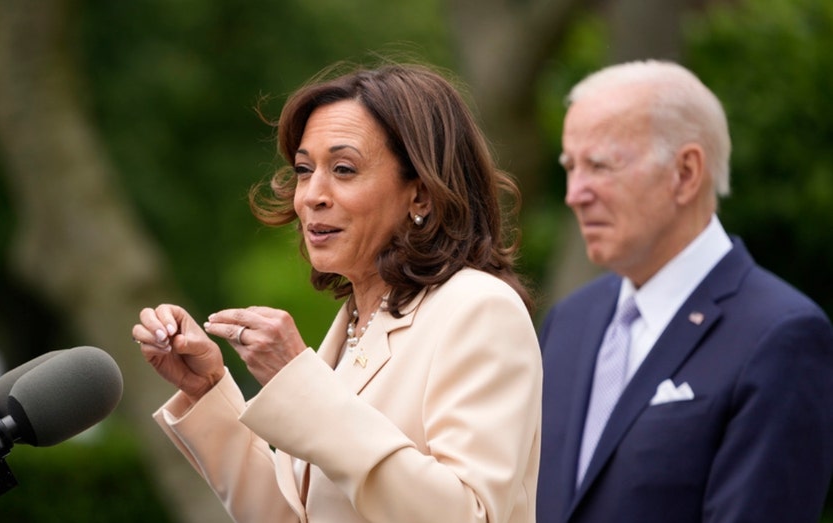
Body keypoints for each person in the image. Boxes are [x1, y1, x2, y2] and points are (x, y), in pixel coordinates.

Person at [132, 62, 542, 523]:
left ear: (421, 195)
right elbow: (296, 516)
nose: (311, 195)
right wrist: (207, 390)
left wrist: (301, 384)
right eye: (305, 170)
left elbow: (470, 514)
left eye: (343, 169)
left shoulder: (479, 308)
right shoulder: (353, 321)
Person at [536, 59, 833, 523]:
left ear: (686, 173)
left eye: (599, 165)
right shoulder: (568, 323)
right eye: (571, 166)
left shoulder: (780, 335)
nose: (575, 193)